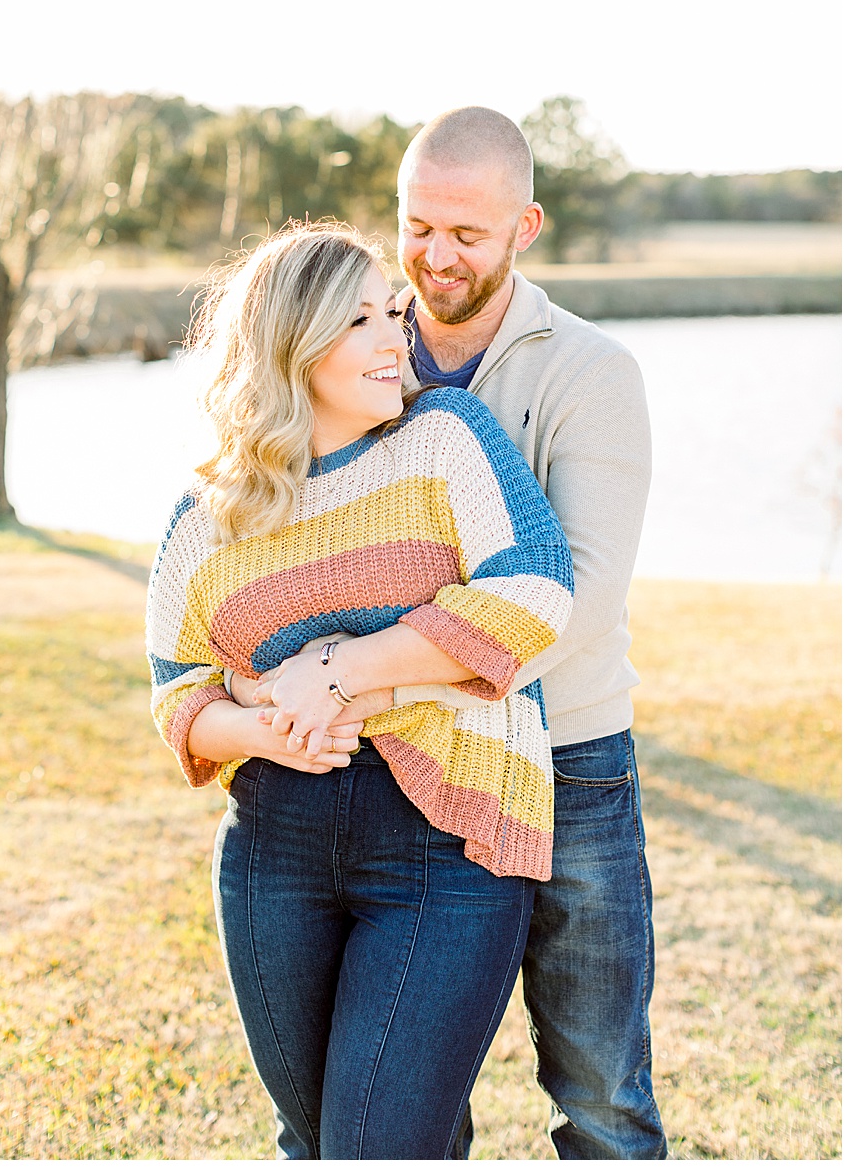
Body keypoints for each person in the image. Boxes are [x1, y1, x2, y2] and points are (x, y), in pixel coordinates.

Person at [233, 107, 666, 1158]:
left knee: (601, 1095)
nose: (434, 256)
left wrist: (357, 677)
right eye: (417, 226)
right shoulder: (356, 350)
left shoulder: (589, 374)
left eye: (466, 234)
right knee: (400, 1106)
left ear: (527, 226)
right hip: (400, 781)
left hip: (569, 766)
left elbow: (582, 595)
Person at [146, 221, 574, 1158]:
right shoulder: (209, 513)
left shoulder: (445, 440)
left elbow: (535, 592)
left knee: (376, 1146)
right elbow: (178, 695)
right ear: (290, 345)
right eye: (362, 322)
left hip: (445, 841)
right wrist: (267, 733)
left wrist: (335, 676)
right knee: (316, 1142)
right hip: (275, 852)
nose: (398, 338)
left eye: (395, 313)